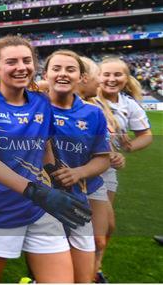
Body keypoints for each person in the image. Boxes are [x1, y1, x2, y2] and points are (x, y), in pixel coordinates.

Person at [0, 36, 90, 283]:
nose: (21, 67)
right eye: (11, 62)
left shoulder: (41, 102)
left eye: (27, 60)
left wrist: (61, 184)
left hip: (39, 207)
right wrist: (39, 193)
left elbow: (44, 149)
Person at [43, 50, 111, 283]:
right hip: (41, 204)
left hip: (77, 201)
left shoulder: (93, 114)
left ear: (81, 77)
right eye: (56, 69)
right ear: (46, 74)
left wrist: (78, 172)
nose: (63, 74)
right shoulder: (32, 107)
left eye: (70, 70)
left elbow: (103, 158)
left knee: (83, 276)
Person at [94, 56, 153, 282]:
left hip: (107, 171)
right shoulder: (87, 97)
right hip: (79, 167)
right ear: (97, 76)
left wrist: (126, 149)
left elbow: (145, 136)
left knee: (106, 226)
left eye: (117, 74)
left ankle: (95, 269)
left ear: (126, 78)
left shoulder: (128, 104)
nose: (111, 79)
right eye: (106, 74)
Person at [78, 56, 125, 282]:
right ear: (84, 78)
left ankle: (93, 273)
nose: (101, 81)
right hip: (77, 181)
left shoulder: (94, 107)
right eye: (98, 75)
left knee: (103, 231)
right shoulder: (56, 104)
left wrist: (109, 154)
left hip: (95, 178)